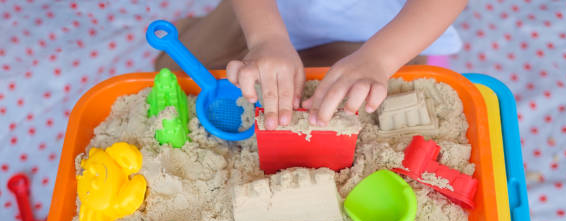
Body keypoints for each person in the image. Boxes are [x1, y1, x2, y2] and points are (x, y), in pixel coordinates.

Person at [155, 0, 467, 130]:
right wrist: (265, 36)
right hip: (266, 13)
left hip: (379, 34)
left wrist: (379, 58)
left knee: (354, 107)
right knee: (177, 70)